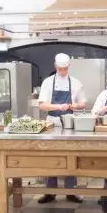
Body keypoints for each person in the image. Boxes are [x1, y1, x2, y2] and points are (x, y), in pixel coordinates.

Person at [37, 53, 86, 203]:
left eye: (65, 69)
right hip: (51, 123)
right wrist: (58, 106)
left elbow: (83, 103)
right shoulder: (48, 82)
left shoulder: (76, 82)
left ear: (69, 66)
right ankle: (50, 192)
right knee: (51, 156)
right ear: (55, 66)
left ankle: (71, 191)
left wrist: (72, 105)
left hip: (69, 124)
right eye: (60, 69)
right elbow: (42, 105)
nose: (63, 71)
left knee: (71, 155)